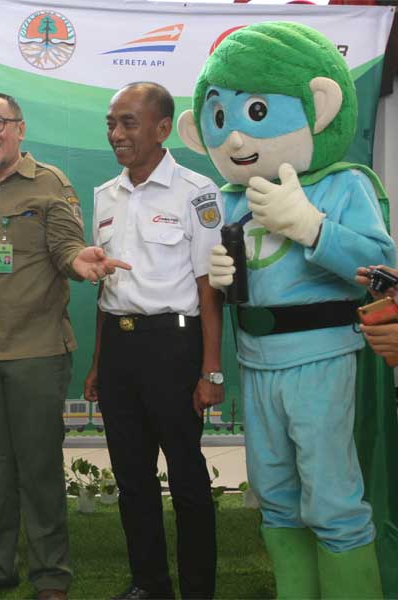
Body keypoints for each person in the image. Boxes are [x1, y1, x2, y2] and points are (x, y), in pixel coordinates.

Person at [178, 22, 395, 598]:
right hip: (257, 361)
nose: (234, 138)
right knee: (275, 494)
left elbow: (382, 266)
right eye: (219, 117)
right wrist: (224, 283)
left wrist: (312, 227)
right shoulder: (225, 200)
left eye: (255, 110)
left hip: (321, 358)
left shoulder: (342, 184)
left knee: (331, 495)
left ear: (318, 107)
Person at [0, 91, 130, 600]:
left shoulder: (50, 183)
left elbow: (67, 246)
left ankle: (51, 575)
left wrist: (81, 263)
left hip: (35, 351)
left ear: (19, 127)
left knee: (38, 471)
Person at [83, 82, 224, 600]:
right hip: (120, 349)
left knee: (187, 479)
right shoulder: (104, 194)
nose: (116, 133)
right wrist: (99, 364)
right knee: (132, 478)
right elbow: (105, 287)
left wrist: (212, 371)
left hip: (174, 348)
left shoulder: (196, 191)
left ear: (163, 129)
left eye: (129, 123)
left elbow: (210, 290)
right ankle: (149, 584)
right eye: (111, 123)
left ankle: (197, 590)